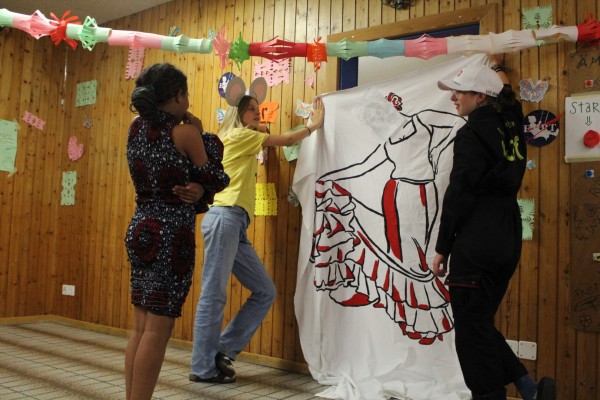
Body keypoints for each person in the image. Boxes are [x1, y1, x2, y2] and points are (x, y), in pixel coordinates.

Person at [432, 56, 556, 400]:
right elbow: (510, 98)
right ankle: (528, 387)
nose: (453, 97)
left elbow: (459, 193)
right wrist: (499, 70)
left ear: (480, 97)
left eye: (460, 92)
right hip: (508, 233)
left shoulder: (471, 133)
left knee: (470, 330)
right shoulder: (513, 122)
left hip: (479, 234)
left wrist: (442, 247)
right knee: (478, 320)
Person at [189, 76, 324, 383]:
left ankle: (222, 351)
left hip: (234, 222)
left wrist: (260, 126)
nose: (256, 114)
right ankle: (202, 367)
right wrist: (313, 125)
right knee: (213, 294)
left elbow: (264, 131)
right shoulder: (239, 135)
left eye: (258, 109)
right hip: (225, 217)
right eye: (251, 109)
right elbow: (286, 141)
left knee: (265, 291)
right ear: (238, 113)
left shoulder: (239, 136)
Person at [124, 63, 229, 400]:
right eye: (187, 93)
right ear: (179, 95)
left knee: (140, 326)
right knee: (158, 330)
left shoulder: (135, 128)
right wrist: (202, 133)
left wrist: (197, 189)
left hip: (141, 229)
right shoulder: (185, 133)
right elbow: (217, 178)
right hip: (171, 236)